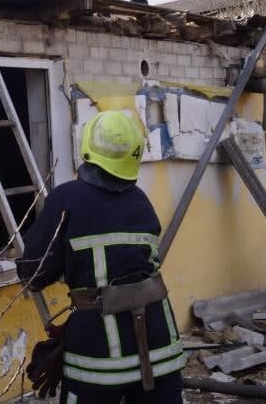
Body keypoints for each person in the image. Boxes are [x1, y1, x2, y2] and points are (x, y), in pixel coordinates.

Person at [16, 110, 186, 403]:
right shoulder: (141, 201)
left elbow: (33, 274)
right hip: (161, 348)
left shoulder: (66, 199)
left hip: (98, 355)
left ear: (87, 150)